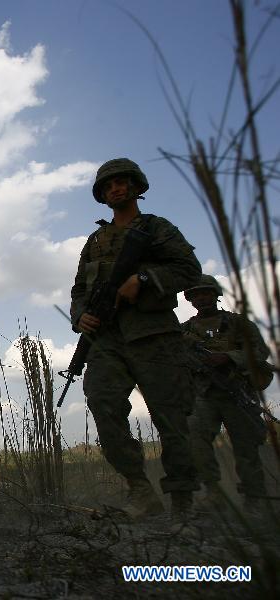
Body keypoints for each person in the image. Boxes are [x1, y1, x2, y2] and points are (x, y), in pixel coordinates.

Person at [69, 158, 202, 519]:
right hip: (107, 340)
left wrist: (143, 280)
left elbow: (189, 270)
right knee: (102, 403)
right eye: (109, 185)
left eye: (122, 182)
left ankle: (182, 502)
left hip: (154, 335)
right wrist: (80, 316)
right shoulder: (95, 241)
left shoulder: (157, 229)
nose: (116, 188)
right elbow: (80, 288)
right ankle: (141, 490)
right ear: (102, 194)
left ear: (136, 186)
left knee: (171, 416)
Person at [182, 275, 273, 513]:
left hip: (236, 391)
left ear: (216, 294)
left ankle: (255, 498)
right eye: (196, 295)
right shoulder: (185, 331)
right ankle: (213, 494)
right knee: (195, 439)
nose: (202, 298)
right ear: (189, 299)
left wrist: (229, 357)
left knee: (246, 447)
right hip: (203, 394)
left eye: (206, 293)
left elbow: (259, 351)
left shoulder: (238, 324)